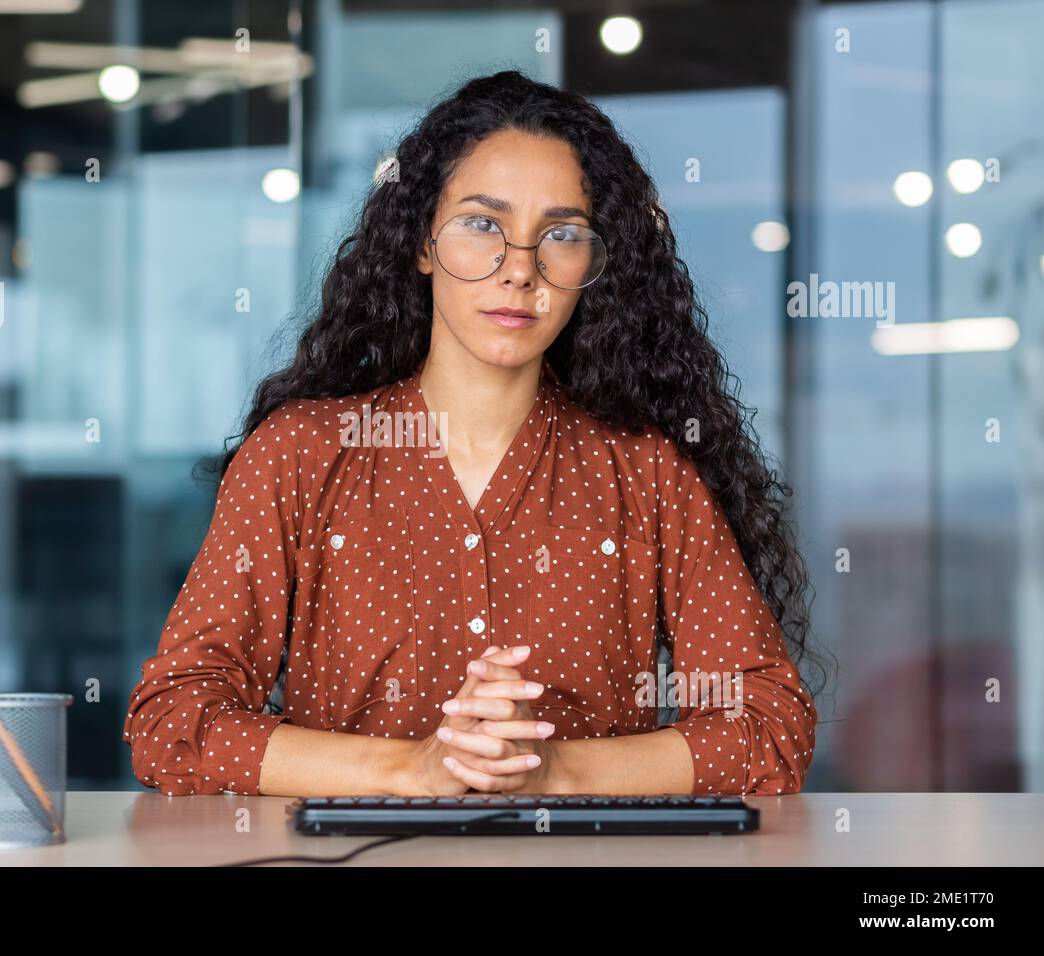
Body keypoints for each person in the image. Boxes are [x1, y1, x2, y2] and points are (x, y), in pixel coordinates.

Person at [123, 70, 824, 798]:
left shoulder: (647, 470)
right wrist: (416, 768)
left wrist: (553, 770)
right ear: (422, 243)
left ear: (596, 264)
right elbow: (173, 721)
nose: (520, 270)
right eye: (483, 224)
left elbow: (770, 726)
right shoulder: (298, 456)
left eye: (560, 234)